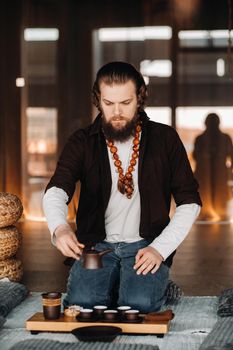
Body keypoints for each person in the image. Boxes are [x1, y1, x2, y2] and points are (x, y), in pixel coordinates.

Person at [43, 61, 202, 313]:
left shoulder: (165, 139)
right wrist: (59, 228)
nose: (117, 112)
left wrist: (160, 250)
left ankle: (147, 283)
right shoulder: (82, 141)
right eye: (108, 103)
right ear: (98, 100)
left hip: (145, 245)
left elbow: (189, 201)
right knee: (83, 304)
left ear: (140, 98)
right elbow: (57, 190)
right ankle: (119, 282)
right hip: (96, 247)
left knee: (139, 306)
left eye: (125, 103)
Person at [193, 113, 233, 221]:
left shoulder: (201, 139)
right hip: (209, 173)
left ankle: (217, 212)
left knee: (217, 193)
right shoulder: (223, 138)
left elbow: (196, 156)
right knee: (207, 193)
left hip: (215, 173)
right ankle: (209, 213)